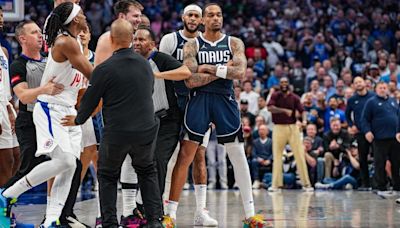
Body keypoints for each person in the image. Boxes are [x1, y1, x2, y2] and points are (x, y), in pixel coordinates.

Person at [163, 3, 267, 227]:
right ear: (203, 21)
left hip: (225, 101)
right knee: (185, 155)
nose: (215, 18)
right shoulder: (192, 44)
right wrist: (222, 69)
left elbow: (239, 72)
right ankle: (170, 215)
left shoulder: (234, 42)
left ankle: (250, 214)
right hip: (198, 100)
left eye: (218, 14)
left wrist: (208, 68)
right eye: (210, 15)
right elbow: (190, 80)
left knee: (237, 154)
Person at [62, 19, 164, 228]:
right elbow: (149, 92)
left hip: (117, 132)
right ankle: (155, 221)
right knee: (147, 172)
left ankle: (109, 224)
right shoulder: (145, 65)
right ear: (130, 39)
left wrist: (78, 119)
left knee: (107, 175)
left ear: (111, 39)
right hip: (146, 130)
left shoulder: (104, 69)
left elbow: (90, 100)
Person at [0, 3, 92, 227]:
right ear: (72, 19)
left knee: (70, 166)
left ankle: (51, 220)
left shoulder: (76, 41)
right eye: (79, 13)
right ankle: (8, 193)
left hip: (68, 109)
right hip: (51, 108)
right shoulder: (65, 41)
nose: (83, 15)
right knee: (63, 160)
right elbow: (94, 73)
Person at [159, 4, 218, 226]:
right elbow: (160, 73)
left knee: (199, 156)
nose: (193, 19)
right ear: (183, 17)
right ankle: (166, 210)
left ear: (201, 20)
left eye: (196, 16)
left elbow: (211, 78)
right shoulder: (169, 40)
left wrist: (210, 109)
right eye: (189, 15)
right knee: (168, 156)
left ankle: (200, 211)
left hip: (198, 104)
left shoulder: (207, 44)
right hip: (172, 104)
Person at [4, 20, 64, 227]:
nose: (40, 35)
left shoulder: (50, 61)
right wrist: (43, 90)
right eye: (34, 32)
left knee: (60, 165)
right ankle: (5, 198)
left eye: (40, 32)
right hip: (29, 122)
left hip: (52, 121)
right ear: (22, 39)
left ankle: (55, 213)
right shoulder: (18, 65)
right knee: (28, 166)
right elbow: (23, 95)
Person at [93, 1, 144, 226]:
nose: (139, 19)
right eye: (135, 15)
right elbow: (100, 78)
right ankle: (104, 217)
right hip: (113, 113)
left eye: (140, 15)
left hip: (132, 111)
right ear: (122, 16)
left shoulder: (133, 40)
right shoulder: (108, 39)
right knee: (108, 167)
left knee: (132, 162)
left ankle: (128, 212)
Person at [133, 25, 191, 205]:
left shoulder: (160, 58)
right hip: (142, 122)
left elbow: (185, 72)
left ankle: (155, 209)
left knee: (158, 160)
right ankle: (140, 206)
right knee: (142, 163)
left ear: (151, 44)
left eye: (141, 40)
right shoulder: (131, 62)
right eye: (135, 39)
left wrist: (157, 75)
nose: (137, 43)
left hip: (167, 120)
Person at [267, 77, 313, 192]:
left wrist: (304, 121)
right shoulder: (275, 95)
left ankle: (306, 184)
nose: (284, 84)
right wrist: (284, 110)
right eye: (282, 82)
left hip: (293, 127)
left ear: (289, 84)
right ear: (279, 84)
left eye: (286, 82)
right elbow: (269, 108)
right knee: (277, 156)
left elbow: (303, 111)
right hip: (278, 127)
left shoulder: (294, 97)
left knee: (300, 155)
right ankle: (276, 185)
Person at [361, 82, 400, 197]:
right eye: (380, 88)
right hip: (379, 138)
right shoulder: (371, 102)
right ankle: (381, 186)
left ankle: (397, 186)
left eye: (384, 88)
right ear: (376, 90)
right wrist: (367, 131)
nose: (383, 90)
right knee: (380, 163)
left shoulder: (393, 101)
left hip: (394, 137)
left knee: (396, 163)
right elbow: (365, 119)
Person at [0, 6, 20, 188]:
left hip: (6, 106)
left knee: (15, 157)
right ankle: (3, 212)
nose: (1, 18)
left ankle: (6, 205)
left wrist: (12, 106)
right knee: (6, 160)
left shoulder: (3, 50)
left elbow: (5, 84)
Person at [345, 76, 374, 190]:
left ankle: (378, 183)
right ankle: (365, 183)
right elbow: (347, 115)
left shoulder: (373, 96)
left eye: (360, 82)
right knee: (362, 158)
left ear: (365, 83)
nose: (358, 84)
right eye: (356, 82)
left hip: (373, 132)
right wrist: (352, 126)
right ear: (353, 85)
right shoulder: (352, 99)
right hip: (360, 132)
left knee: (377, 157)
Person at [251, 124, 273, 189]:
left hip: (268, 159)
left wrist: (269, 160)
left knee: (275, 162)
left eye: (263, 130)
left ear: (267, 131)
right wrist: (258, 159)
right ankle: (256, 180)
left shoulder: (271, 141)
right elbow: (253, 153)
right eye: (260, 130)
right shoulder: (255, 142)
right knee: (254, 161)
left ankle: (272, 181)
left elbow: (273, 153)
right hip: (259, 159)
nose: (261, 131)